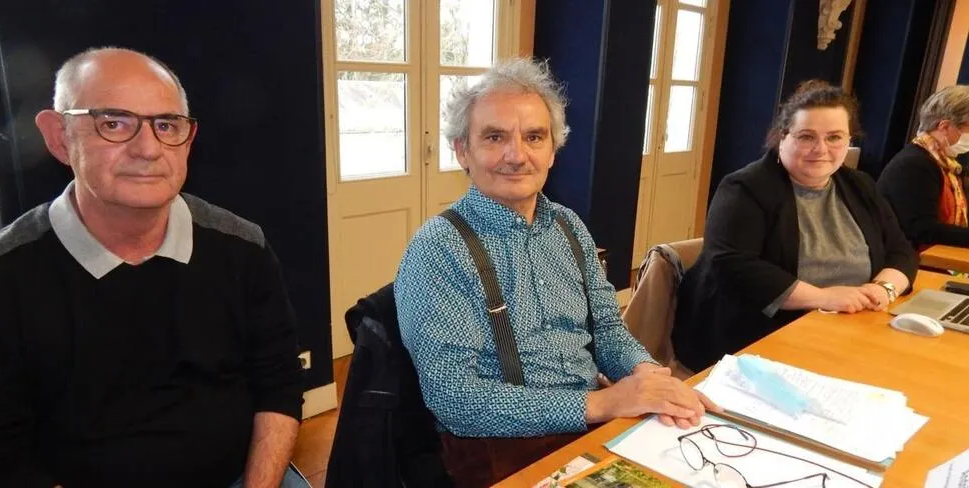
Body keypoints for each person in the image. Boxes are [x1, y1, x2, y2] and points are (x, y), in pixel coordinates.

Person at [0, 47, 305, 488]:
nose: (148, 149)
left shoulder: (243, 248)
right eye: (113, 123)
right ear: (59, 137)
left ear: (188, 140)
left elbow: (279, 383)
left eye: (166, 125)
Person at [393, 58, 719, 487]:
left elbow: (607, 330)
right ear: (462, 151)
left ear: (553, 149)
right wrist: (601, 404)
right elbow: (456, 399)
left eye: (534, 137)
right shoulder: (438, 249)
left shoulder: (568, 226)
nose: (517, 155)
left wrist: (646, 375)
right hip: (500, 450)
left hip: (593, 427)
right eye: (494, 137)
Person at [673, 80, 918, 372]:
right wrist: (824, 297)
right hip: (760, 338)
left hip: (852, 328)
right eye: (806, 136)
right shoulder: (745, 188)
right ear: (783, 136)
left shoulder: (861, 185)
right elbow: (731, 265)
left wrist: (883, 289)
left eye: (834, 137)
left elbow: (901, 250)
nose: (820, 149)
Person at [878, 85, 969, 249]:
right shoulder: (914, 165)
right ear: (944, 127)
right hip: (907, 257)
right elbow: (922, 230)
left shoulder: (947, 164)